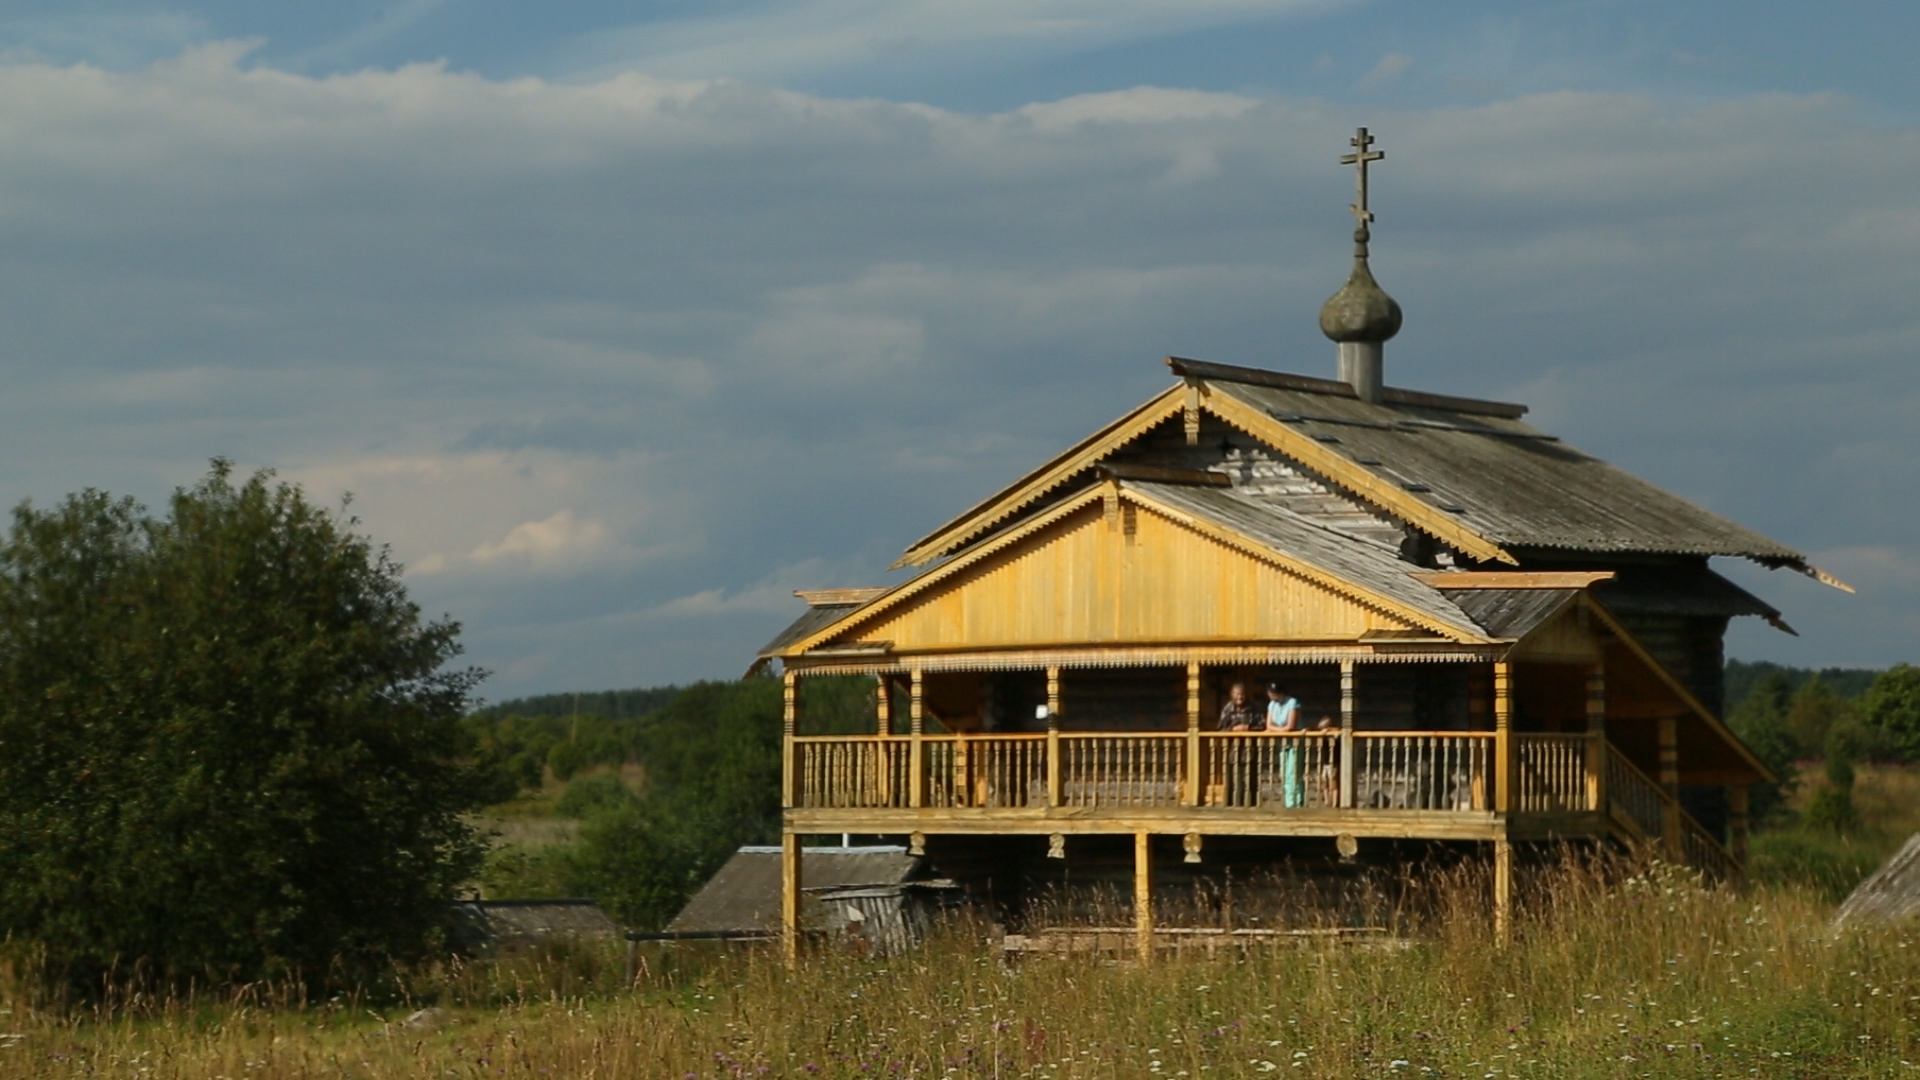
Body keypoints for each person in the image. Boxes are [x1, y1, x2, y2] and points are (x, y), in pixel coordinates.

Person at [1268, 684, 1303, 807]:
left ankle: (1296, 804)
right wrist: (1281, 730)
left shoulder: (1292, 702)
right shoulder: (1272, 705)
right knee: (1284, 775)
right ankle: (1290, 803)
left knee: (1293, 775)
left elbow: (1290, 726)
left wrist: (1277, 730)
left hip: (1294, 743)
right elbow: (1268, 725)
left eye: (1274, 692)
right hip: (1282, 744)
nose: (1272, 695)